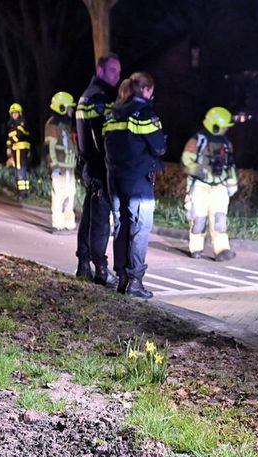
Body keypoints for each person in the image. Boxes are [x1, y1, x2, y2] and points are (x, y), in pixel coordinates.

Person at [103, 71, 166, 299]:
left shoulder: (112, 114)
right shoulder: (145, 113)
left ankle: (121, 279)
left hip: (115, 178)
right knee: (140, 229)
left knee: (121, 228)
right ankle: (135, 282)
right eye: (152, 91)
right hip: (138, 180)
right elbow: (159, 147)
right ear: (146, 90)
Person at [75, 53, 122, 286]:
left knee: (89, 215)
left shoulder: (86, 95)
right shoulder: (99, 98)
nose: (117, 76)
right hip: (98, 165)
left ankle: (83, 263)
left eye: (119, 72)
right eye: (113, 71)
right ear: (100, 70)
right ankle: (101, 269)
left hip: (87, 163)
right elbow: (100, 136)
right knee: (101, 219)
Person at [182, 107, 238, 261]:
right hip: (200, 187)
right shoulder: (198, 140)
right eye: (225, 126)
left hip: (219, 187)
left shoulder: (226, 144)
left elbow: (230, 164)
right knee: (199, 220)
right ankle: (196, 248)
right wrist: (200, 171)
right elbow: (186, 160)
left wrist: (232, 183)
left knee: (220, 220)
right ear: (215, 124)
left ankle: (222, 250)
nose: (227, 129)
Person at [44, 91, 78, 232]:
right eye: (69, 108)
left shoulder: (66, 125)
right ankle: (57, 224)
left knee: (71, 194)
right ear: (62, 107)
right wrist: (54, 165)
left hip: (69, 166)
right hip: (59, 166)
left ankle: (69, 222)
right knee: (59, 195)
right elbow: (50, 146)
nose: (71, 111)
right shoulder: (53, 124)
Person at [5, 103, 32, 199]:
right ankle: (22, 192)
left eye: (16, 113)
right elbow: (10, 138)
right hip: (16, 152)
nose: (14, 115)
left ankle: (23, 194)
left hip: (22, 152)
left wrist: (12, 139)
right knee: (19, 172)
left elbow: (20, 135)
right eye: (13, 113)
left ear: (20, 113)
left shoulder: (22, 123)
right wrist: (9, 147)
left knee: (21, 172)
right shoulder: (12, 125)